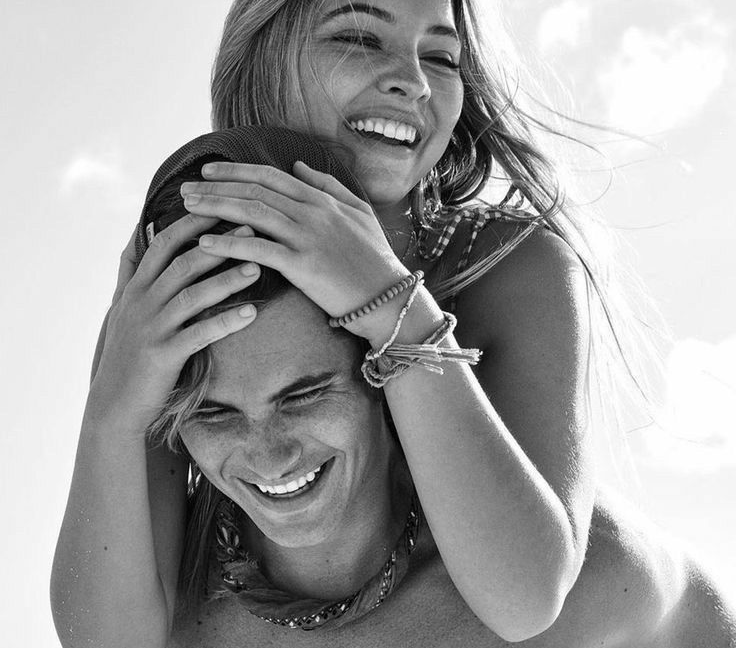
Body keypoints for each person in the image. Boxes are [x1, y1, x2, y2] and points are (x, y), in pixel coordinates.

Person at [51, 126, 736, 647]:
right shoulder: (172, 607)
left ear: (385, 371)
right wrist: (112, 412)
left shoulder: (585, 588)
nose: (269, 453)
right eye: (214, 413)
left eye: (304, 393)